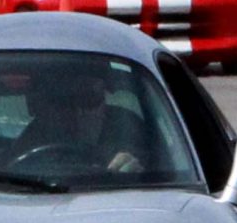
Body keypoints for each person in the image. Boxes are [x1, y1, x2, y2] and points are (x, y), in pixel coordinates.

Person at [13, 63, 145, 174]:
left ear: (105, 85)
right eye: (75, 81)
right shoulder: (40, 129)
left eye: (90, 81)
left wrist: (131, 167)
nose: (82, 87)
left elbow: (153, 164)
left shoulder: (126, 123)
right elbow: (11, 169)